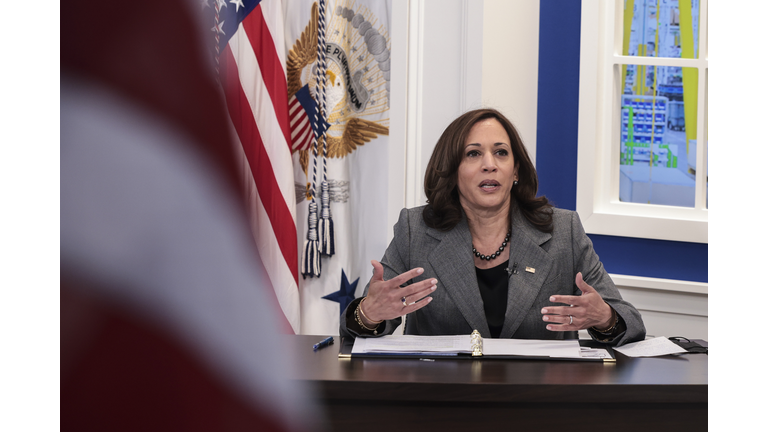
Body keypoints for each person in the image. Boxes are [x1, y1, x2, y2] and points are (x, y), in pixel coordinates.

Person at [340, 108, 645, 346]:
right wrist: (370, 313)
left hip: (540, 404)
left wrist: (604, 317)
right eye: (473, 154)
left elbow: (631, 325)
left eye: (501, 152)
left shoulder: (562, 230)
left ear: (515, 171)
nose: (490, 164)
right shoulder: (415, 230)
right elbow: (355, 331)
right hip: (441, 403)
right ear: (452, 170)